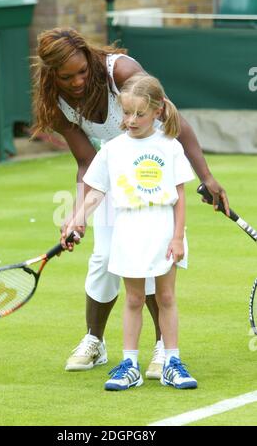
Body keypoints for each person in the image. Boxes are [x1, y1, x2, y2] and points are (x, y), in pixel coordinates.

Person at [31, 27, 228, 379]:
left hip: (152, 170)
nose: (77, 81)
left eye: (82, 71)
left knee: (156, 261)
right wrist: (77, 216)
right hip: (114, 169)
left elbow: (173, 121)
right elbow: (87, 163)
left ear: (90, 60)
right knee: (103, 259)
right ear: (52, 75)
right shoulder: (57, 103)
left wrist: (206, 177)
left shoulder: (119, 71)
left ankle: (161, 349)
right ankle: (95, 341)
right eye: (66, 77)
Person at [64, 72, 198, 390]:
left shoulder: (170, 147)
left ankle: (171, 361)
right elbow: (95, 191)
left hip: (163, 230)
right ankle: (130, 365)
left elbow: (179, 197)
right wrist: (77, 218)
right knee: (134, 299)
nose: (131, 120)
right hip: (128, 231)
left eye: (140, 113)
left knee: (165, 296)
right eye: (126, 113)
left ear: (158, 111)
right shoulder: (113, 149)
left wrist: (178, 237)